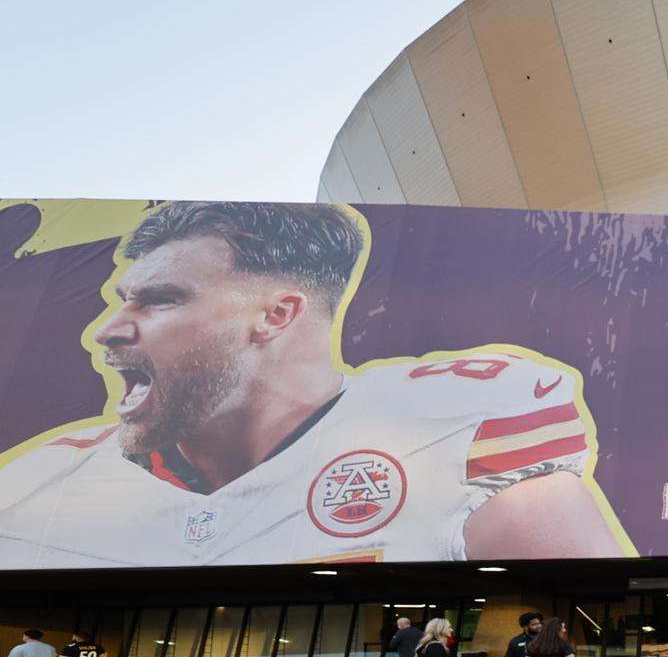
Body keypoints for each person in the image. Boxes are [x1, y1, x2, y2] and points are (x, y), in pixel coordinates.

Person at [0, 201, 632, 568]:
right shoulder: (34, 488)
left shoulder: (459, 424)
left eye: (159, 300)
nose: (107, 331)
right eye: (122, 300)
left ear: (276, 315)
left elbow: (579, 592)